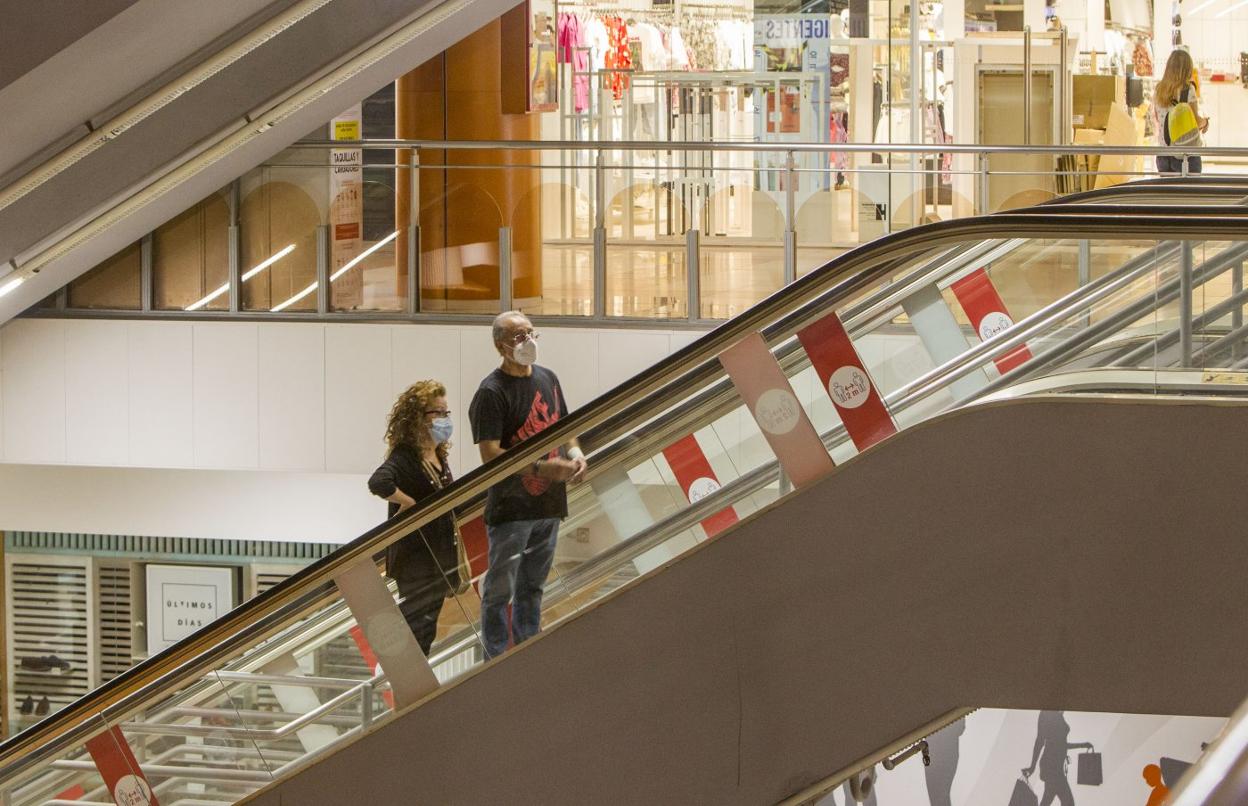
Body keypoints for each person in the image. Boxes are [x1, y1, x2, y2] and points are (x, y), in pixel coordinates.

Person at [470, 311, 587, 659]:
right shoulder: (490, 392)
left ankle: (527, 647)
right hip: (512, 510)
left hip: (548, 506)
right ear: (500, 345)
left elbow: (564, 424)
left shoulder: (548, 378)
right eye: (518, 337)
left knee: (533, 585)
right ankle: (496, 654)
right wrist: (540, 468)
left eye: (531, 333)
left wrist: (576, 452)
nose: (528, 342)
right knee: (499, 589)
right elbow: (490, 454)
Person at [367, 380, 460, 655]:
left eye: (446, 413)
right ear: (418, 418)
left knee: (427, 631)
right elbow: (378, 481)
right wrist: (408, 504)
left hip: (439, 560)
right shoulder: (405, 456)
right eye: (437, 413)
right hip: (416, 561)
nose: (444, 419)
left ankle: (412, 691)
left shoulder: (438, 455)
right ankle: (407, 692)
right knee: (414, 631)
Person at [1155, 48, 1209, 175]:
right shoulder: (1188, 89)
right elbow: (1196, 121)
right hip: (1185, 156)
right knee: (1189, 193)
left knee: (1168, 194)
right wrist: (1205, 122)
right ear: (1187, 69)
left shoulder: (1158, 89)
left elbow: (1159, 119)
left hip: (1163, 154)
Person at [1022, 710, 1093, 806]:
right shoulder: (1047, 713)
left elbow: (1061, 745)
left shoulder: (1058, 715)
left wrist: (1082, 745)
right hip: (1051, 765)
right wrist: (1032, 767)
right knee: (1067, 802)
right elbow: (1040, 740)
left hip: (1056, 766)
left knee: (1049, 799)